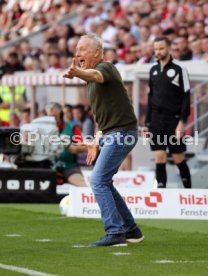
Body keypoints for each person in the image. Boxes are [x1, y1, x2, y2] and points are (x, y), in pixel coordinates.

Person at [63, 33, 144, 247]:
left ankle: (115, 232)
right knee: (103, 181)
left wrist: (78, 72)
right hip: (113, 134)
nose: (78, 52)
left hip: (122, 133)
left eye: (83, 49)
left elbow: (96, 75)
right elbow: (103, 118)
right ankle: (131, 231)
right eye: (77, 49)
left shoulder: (105, 68)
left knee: (98, 181)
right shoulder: (89, 80)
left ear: (97, 53)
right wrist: (96, 140)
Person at [142, 36, 191, 189]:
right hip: (156, 121)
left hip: (174, 121)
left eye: (161, 48)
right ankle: (161, 193)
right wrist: (147, 123)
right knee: (159, 156)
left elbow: (186, 96)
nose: (158, 52)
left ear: (169, 48)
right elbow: (151, 98)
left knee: (178, 158)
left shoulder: (179, 69)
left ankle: (189, 191)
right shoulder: (153, 70)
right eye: (156, 49)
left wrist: (182, 122)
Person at [45, 102, 87, 187]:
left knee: (83, 187)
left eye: (54, 117)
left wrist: (72, 148)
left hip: (69, 167)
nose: (52, 120)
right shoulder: (43, 129)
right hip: (48, 167)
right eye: (49, 117)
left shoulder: (72, 127)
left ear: (61, 115)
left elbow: (83, 147)